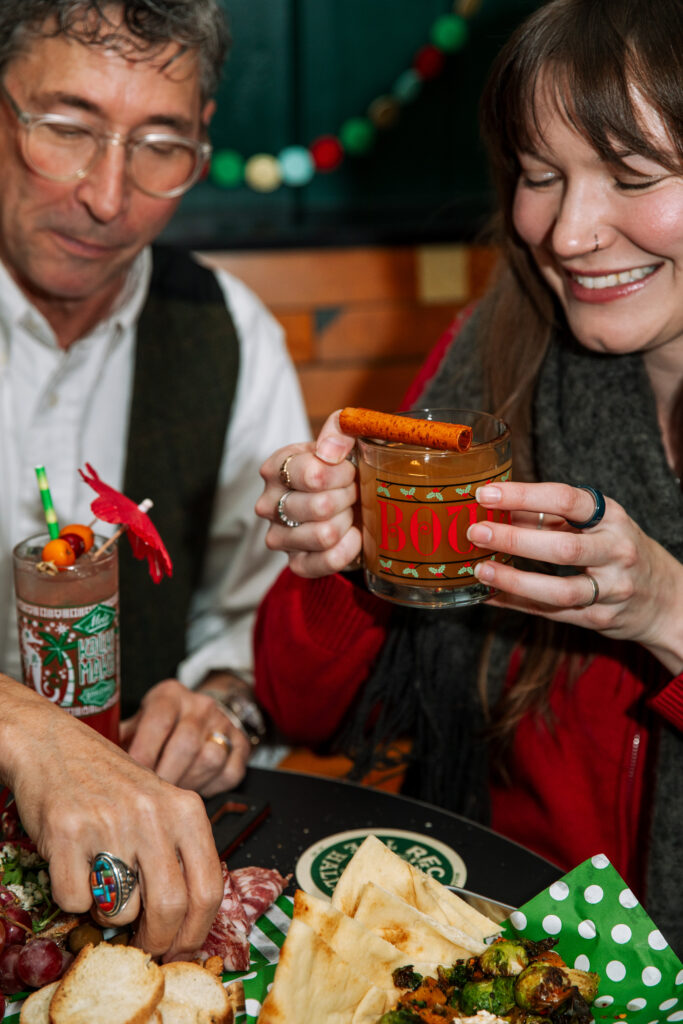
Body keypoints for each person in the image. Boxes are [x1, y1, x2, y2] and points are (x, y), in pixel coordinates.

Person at [254, 0, 683, 953]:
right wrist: (345, 558)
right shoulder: (494, 355)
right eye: (540, 176)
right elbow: (297, 708)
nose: (567, 234)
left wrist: (665, 609)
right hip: (500, 946)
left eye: (631, 176)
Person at [0, 0, 309, 956]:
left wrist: (221, 703)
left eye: (160, 145)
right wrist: (26, 731)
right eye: (66, 128)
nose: (108, 196)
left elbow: (258, 621)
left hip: (123, 889)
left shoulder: (228, 335)